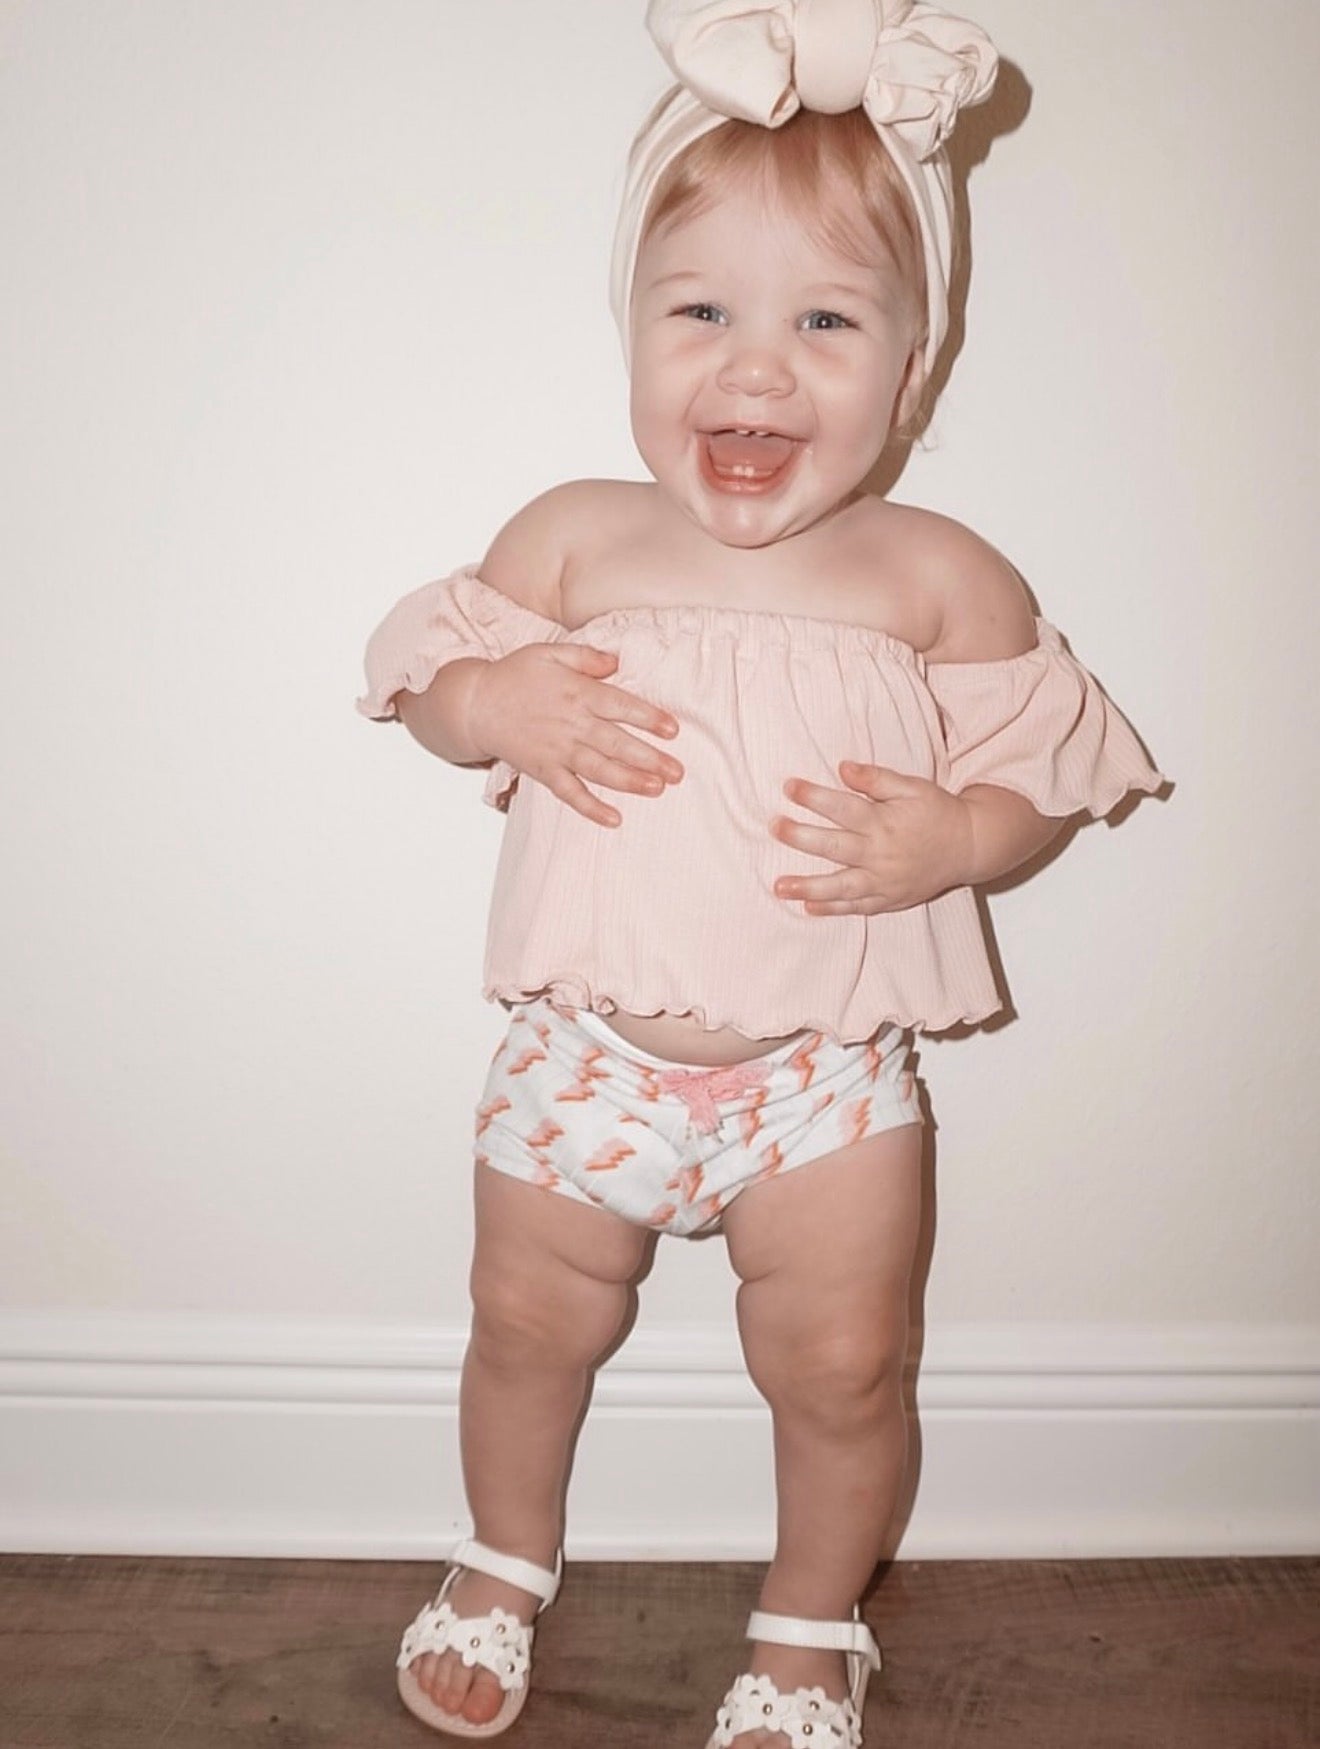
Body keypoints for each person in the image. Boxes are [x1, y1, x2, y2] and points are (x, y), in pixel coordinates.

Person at [357, 3, 1165, 1743]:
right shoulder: (573, 535)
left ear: (913, 364)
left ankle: (808, 1624)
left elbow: (1041, 770)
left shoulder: (940, 573)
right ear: (633, 328)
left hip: (826, 1080)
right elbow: (424, 678)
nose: (755, 371)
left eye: (826, 321)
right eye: (702, 312)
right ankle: (502, 1557)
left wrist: (962, 838)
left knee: (846, 1362)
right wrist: (490, 702)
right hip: (586, 1058)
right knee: (524, 1321)